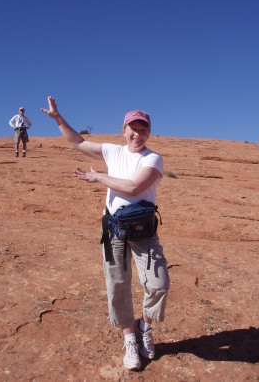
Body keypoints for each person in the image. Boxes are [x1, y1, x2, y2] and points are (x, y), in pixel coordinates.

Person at [41, 96, 170, 371]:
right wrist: (58, 118)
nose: (138, 134)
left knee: (158, 284)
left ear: (149, 132)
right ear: (123, 130)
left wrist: (98, 177)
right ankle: (129, 340)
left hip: (144, 233)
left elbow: (134, 188)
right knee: (117, 287)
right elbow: (77, 142)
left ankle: (144, 327)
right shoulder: (113, 151)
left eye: (143, 129)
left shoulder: (154, 159)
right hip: (113, 231)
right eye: (132, 128)